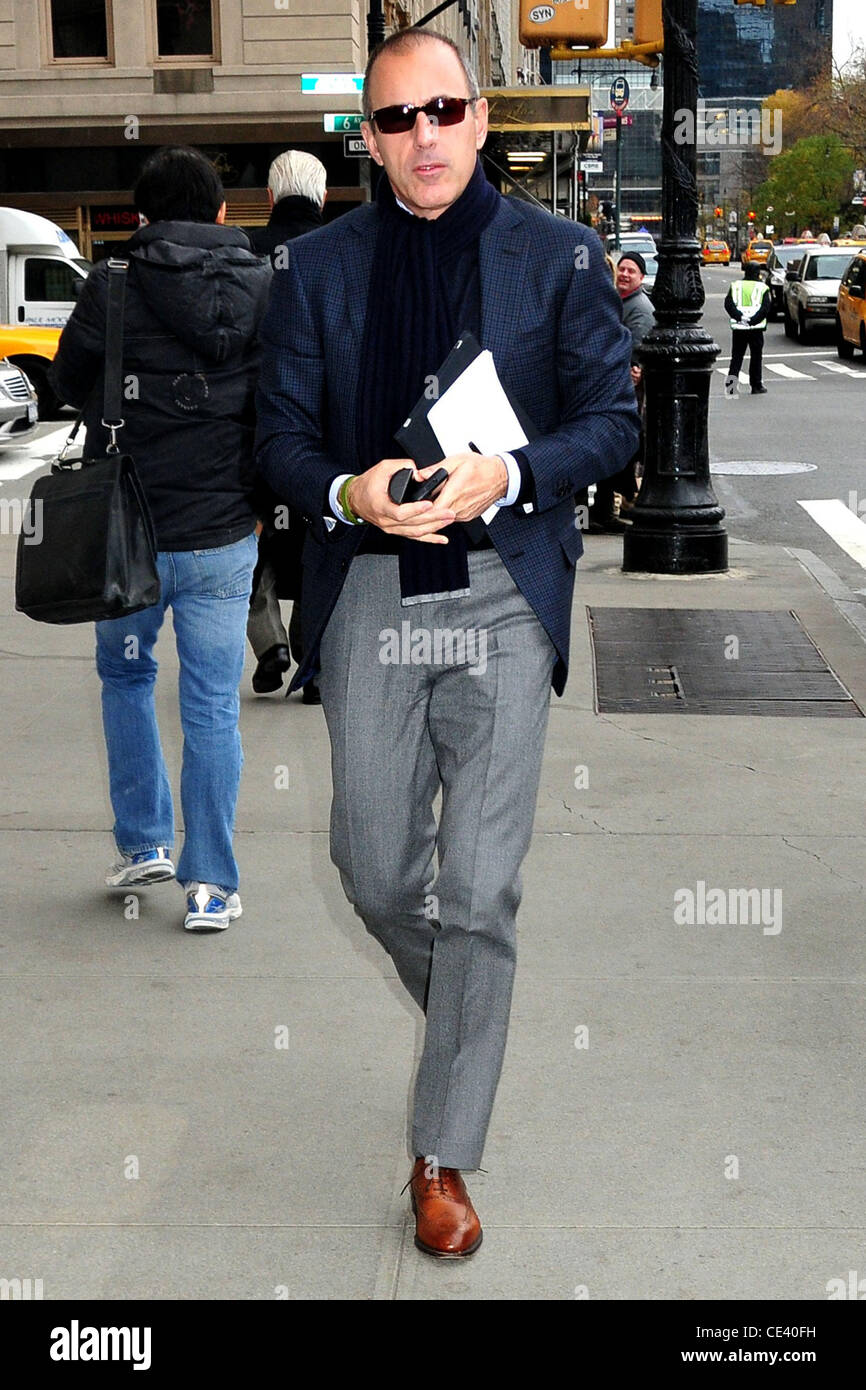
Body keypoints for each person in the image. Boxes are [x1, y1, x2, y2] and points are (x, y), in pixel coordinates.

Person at [255, 28, 639, 1258]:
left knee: (475, 893)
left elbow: (613, 425)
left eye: (443, 110)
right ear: (364, 137)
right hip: (370, 595)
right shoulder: (312, 270)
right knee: (372, 872)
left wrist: (510, 474)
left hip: (499, 598)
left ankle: (442, 1151)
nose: (421, 136)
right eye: (394, 118)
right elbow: (275, 443)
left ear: (480, 121)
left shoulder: (561, 257)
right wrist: (347, 494)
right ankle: (471, 1017)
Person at [50, 147, 270, 931]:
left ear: (141, 217)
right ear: (221, 214)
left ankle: (145, 841)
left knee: (128, 682)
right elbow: (280, 406)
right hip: (221, 532)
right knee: (213, 709)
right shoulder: (265, 287)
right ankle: (211, 884)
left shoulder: (113, 286)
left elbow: (70, 384)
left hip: (126, 537)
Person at [248, 151, 328, 701]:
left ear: (271, 198)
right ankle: (314, 658)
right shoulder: (342, 248)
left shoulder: (245, 252)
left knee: (260, 543)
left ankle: (270, 642)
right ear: (324, 197)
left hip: (258, 425)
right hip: (326, 429)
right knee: (323, 540)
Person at [588, 250, 655, 532]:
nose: (625, 274)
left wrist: (635, 366)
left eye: (632, 271)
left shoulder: (638, 308)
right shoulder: (618, 301)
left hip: (621, 391)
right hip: (612, 388)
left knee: (618, 447)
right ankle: (612, 505)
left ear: (641, 277)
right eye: (623, 269)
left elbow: (635, 349)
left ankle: (613, 503)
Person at [724, 262, 770, 397]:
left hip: (739, 327)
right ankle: (756, 386)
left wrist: (740, 318)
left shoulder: (736, 286)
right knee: (756, 357)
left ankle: (731, 387)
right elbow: (765, 308)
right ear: (758, 273)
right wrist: (753, 320)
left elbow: (728, 304)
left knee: (736, 357)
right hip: (755, 328)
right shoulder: (762, 287)